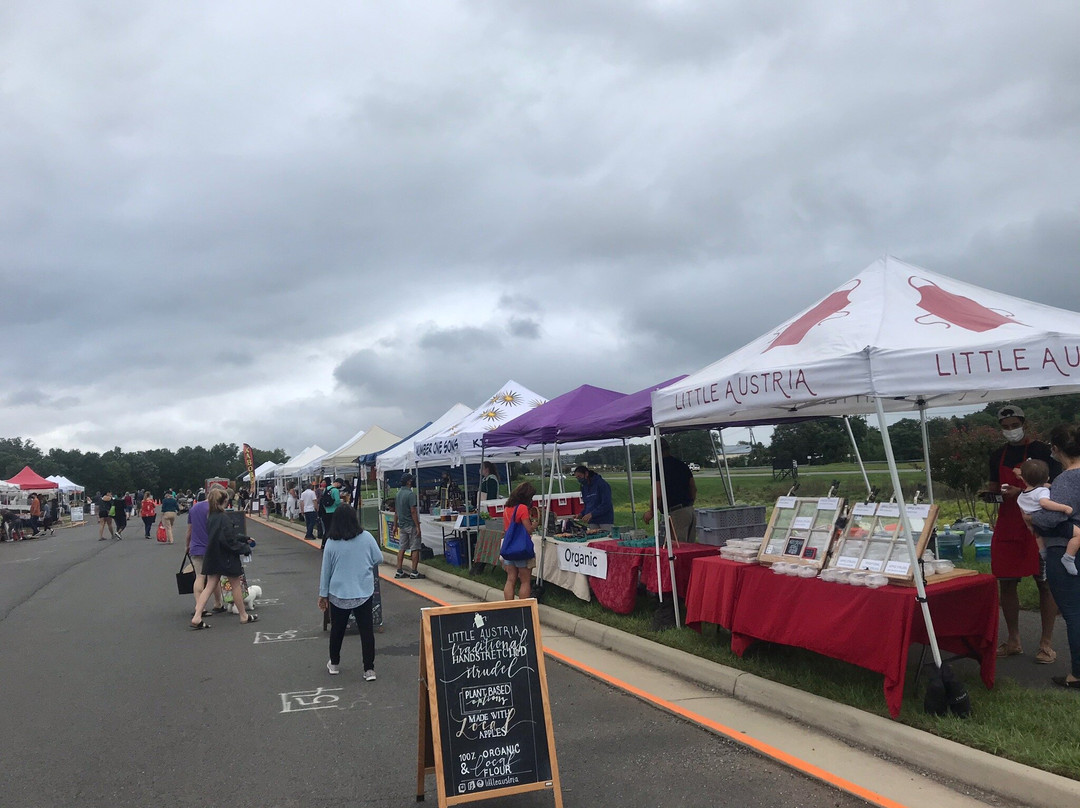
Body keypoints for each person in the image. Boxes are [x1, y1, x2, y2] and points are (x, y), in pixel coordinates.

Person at [987, 405, 1058, 664]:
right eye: (1005, 427)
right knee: (1006, 582)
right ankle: (1014, 640)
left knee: (1044, 582)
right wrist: (991, 494)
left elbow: (1055, 485)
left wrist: (1024, 492)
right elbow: (994, 484)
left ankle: (1046, 644)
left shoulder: (1042, 451)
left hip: (1037, 524)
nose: (1010, 431)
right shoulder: (997, 455)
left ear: (1023, 423)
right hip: (1007, 524)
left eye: (1013, 425)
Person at [1031, 424, 1080, 689]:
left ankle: (1078, 674)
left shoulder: (1066, 479)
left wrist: (1031, 516)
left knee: (1073, 613)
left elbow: (1051, 516)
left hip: (1064, 549)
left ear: (1057, 449)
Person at [318, 504, 383, 681]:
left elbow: (326, 571)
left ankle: (335, 663)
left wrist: (323, 594)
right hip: (363, 590)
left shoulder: (331, 542)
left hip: (338, 593)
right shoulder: (366, 537)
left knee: (337, 630)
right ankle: (369, 669)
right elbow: (379, 558)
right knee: (366, 631)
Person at [190, 488, 257, 628]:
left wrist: (243, 539)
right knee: (235, 585)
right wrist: (244, 548)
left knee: (209, 585)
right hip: (226, 557)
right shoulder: (224, 518)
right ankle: (243, 615)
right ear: (225, 501)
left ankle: (197, 615)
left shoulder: (211, 517)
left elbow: (221, 536)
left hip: (212, 555)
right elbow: (229, 540)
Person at [1016, 458, 1080, 573]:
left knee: (1038, 536)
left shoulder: (1021, 496)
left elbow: (1023, 513)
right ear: (1047, 478)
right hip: (1054, 526)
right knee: (1078, 535)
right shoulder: (1042, 491)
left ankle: (1042, 551)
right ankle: (1069, 557)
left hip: (1038, 528)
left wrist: (1029, 526)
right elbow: (1045, 503)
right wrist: (1064, 508)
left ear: (1024, 480)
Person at [643, 439, 698, 542]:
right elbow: (693, 488)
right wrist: (689, 503)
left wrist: (651, 512)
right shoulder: (682, 465)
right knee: (690, 548)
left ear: (655, 452)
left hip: (675, 512)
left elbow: (657, 494)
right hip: (689, 510)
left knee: (676, 549)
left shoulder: (658, 468)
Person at [186, 491, 225, 616]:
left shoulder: (194, 509)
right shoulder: (214, 509)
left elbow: (189, 530)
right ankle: (218, 603)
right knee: (214, 577)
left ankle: (199, 606)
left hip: (196, 547)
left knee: (199, 577)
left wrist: (187, 545)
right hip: (211, 547)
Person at [501, 482, 536, 601]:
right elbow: (528, 530)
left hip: (509, 547)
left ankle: (509, 606)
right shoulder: (522, 508)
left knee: (510, 579)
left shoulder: (507, 508)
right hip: (521, 549)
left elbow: (506, 528)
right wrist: (535, 525)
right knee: (525, 581)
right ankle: (522, 608)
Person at [392, 474, 425, 579]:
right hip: (411, 525)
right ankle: (414, 571)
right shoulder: (410, 494)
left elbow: (396, 511)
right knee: (415, 548)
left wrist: (395, 525)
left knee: (402, 548)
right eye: (412, 480)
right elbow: (413, 511)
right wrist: (417, 526)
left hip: (402, 525)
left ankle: (399, 570)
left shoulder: (398, 494)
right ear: (408, 482)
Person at [573, 465, 614, 531]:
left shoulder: (601, 484)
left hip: (604, 521)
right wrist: (581, 514)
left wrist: (591, 514)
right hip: (592, 521)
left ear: (586, 474)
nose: (579, 479)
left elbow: (606, 504)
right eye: (577, 477)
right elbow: (587, 505)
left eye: (580, 476)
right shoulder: (584, 487)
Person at [320, 478, 343, 548]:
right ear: (338, 483)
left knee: (327, 529)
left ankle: (324, 544)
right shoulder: (335, 490)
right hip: (334, 511)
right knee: (334, 528)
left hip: (326, 511)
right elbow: (337, 501)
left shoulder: (326, 489)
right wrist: (341, 502)